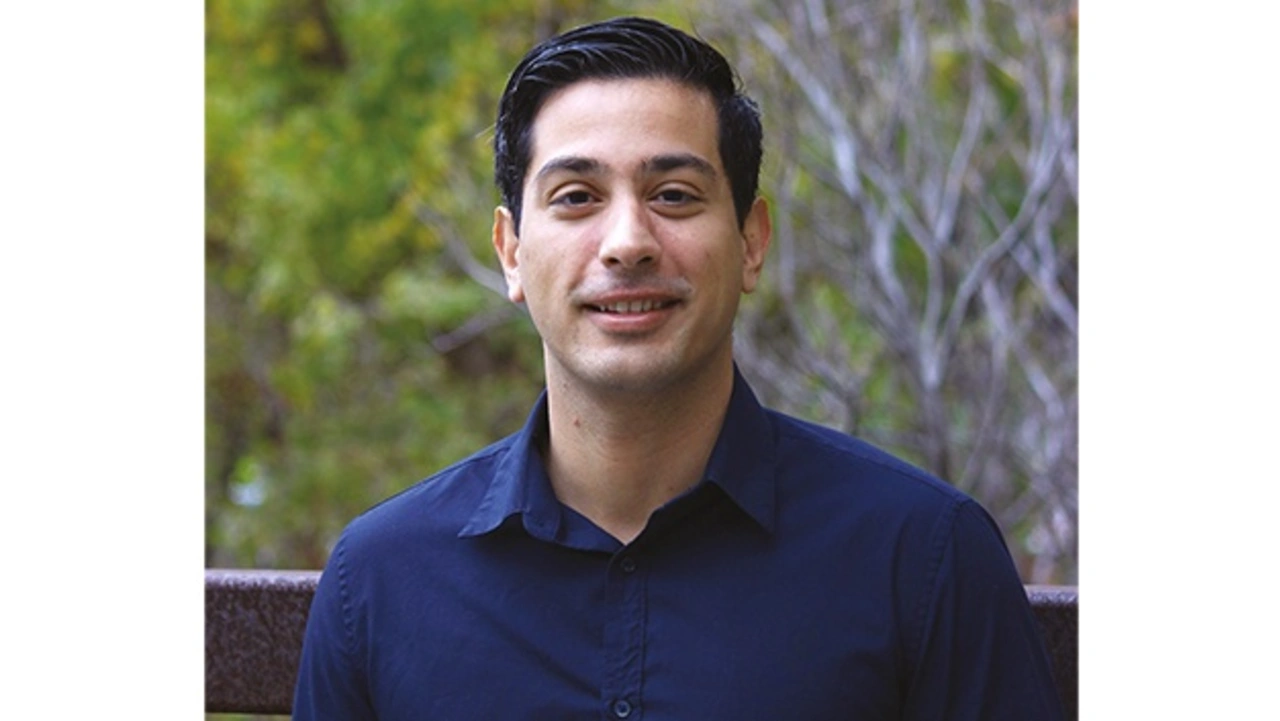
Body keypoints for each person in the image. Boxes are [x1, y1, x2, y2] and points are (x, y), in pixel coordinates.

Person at [293, 16, 1066, 720]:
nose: (628, 241)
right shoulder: (382, 580)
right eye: (576, 197)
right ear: (511, 251)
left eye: (673, 194)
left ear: (751, 241)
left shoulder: (922, 555)